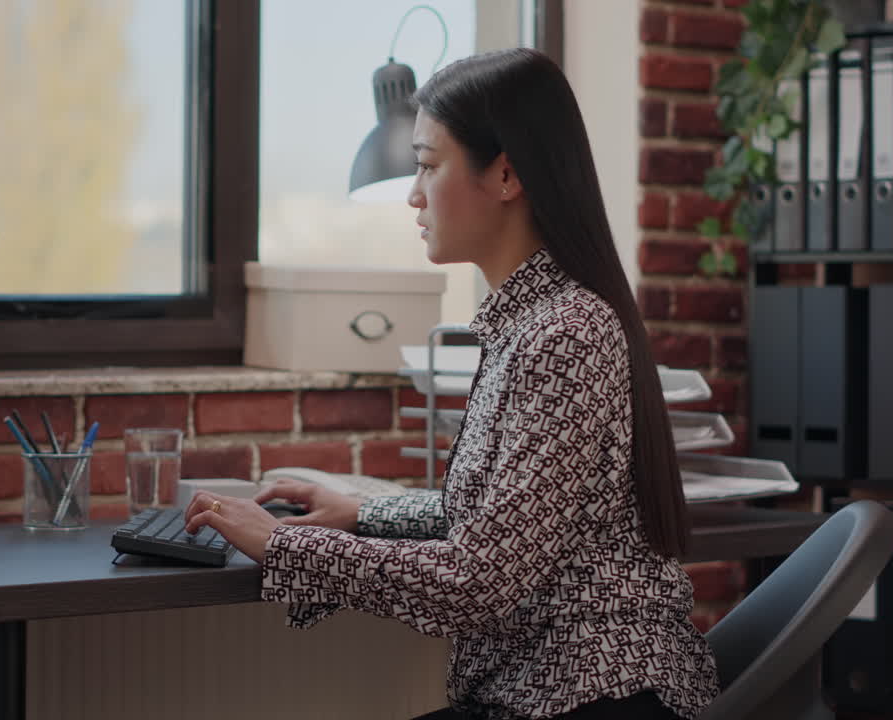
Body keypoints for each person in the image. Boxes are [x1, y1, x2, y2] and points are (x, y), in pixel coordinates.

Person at [183, 47, 719, 720]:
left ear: (506, 174)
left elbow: (479, 579)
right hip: (545, 691)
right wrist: (362, 512)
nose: (413, 192)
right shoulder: (532, 323)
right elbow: (505, 520)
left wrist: (284, 543)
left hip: (596, 694)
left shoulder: (567, 333)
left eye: (429, 165)